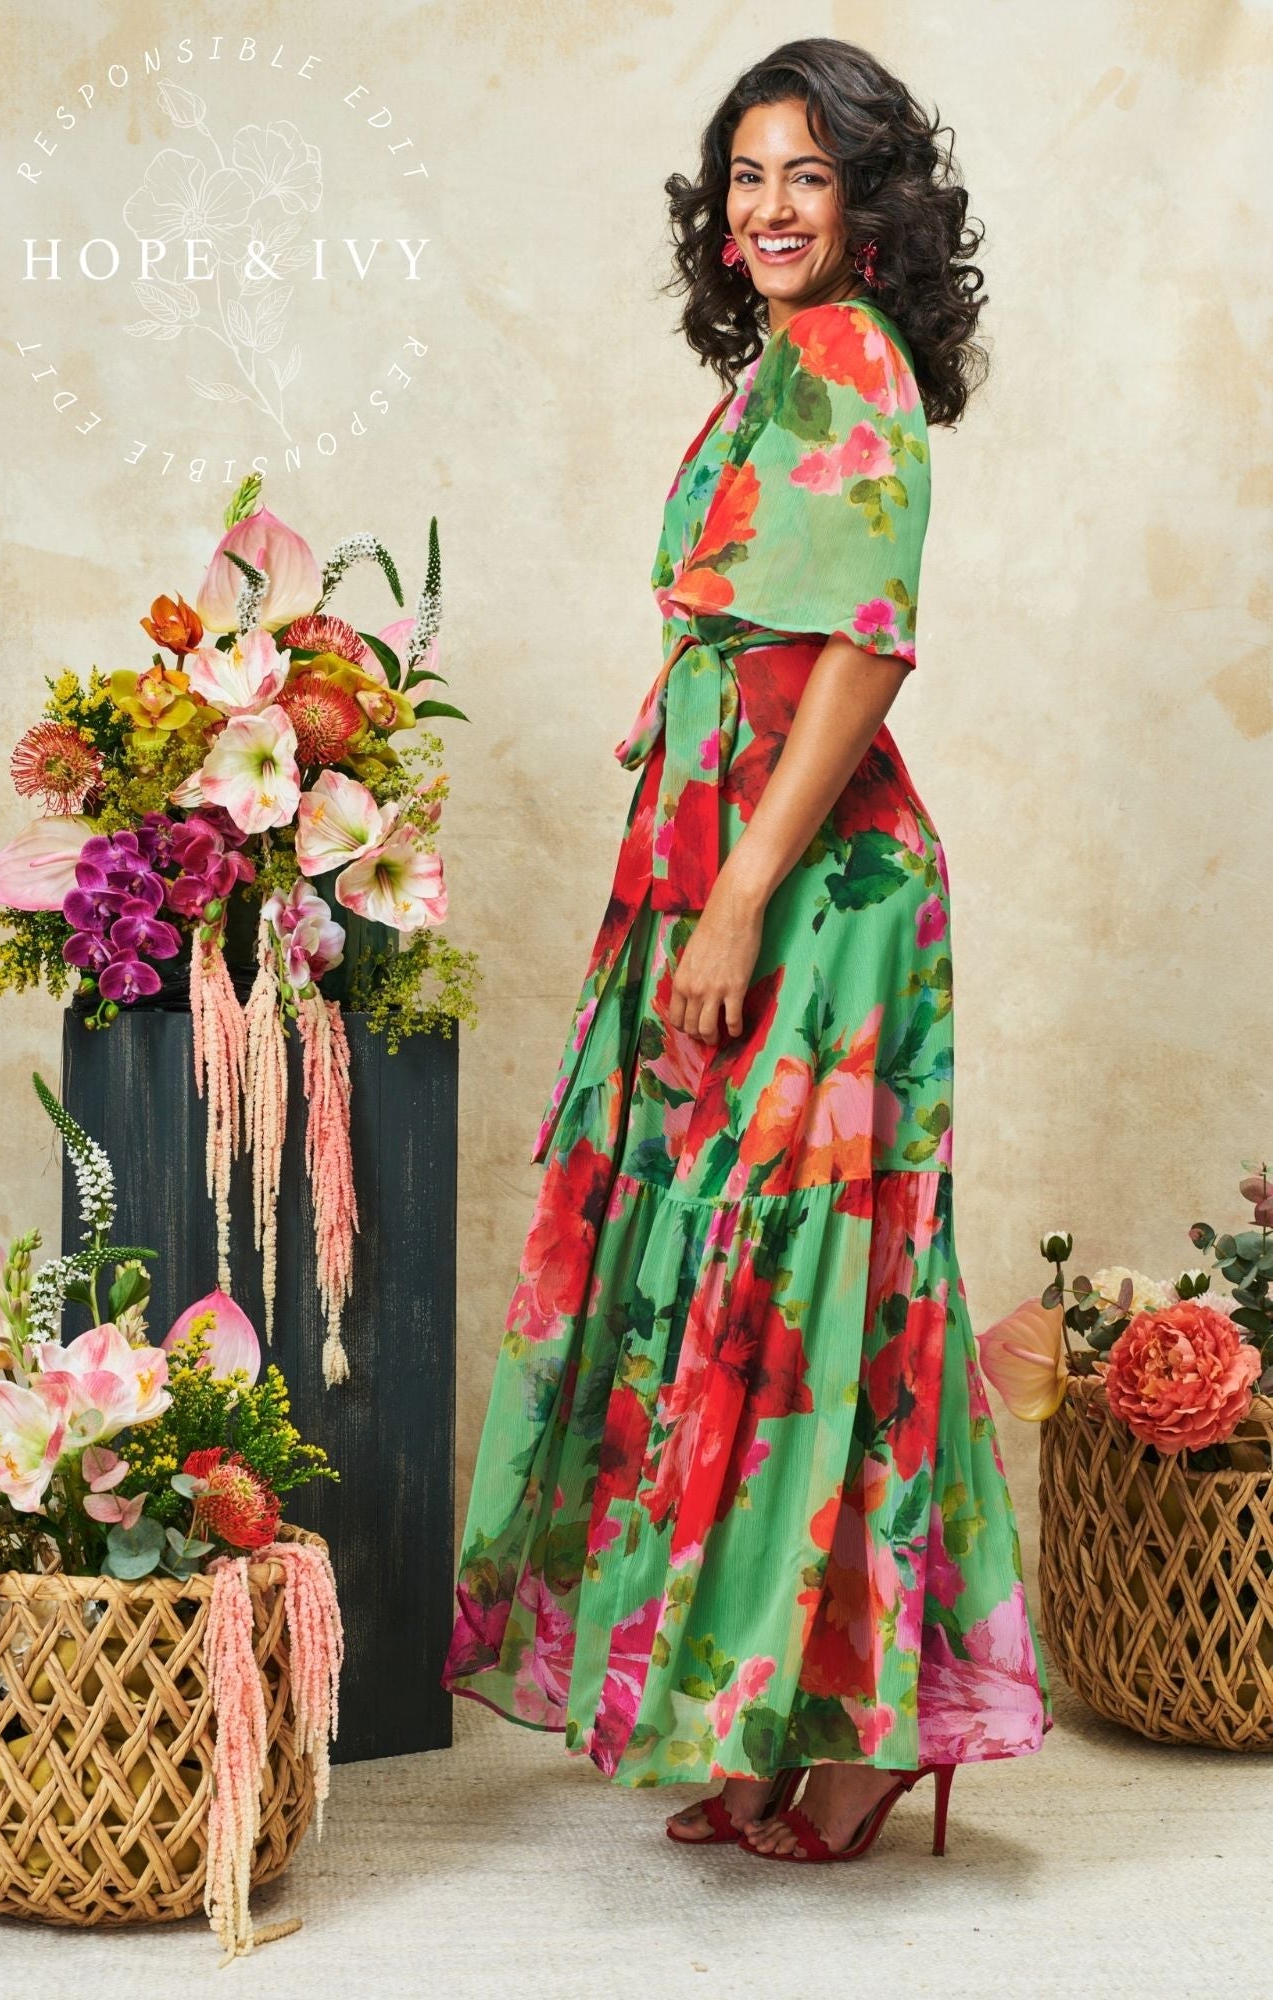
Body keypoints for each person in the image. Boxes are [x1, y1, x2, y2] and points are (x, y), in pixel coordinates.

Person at [441, 35, 1053, 1865]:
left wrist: (731, 897)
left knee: (811, 1295)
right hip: (731, 855)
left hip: (814, 894)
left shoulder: (853, 358)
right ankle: (772, 1710)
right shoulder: (785, 369)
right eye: (749, 175)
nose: (773, 206)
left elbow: (863, 647)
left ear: (870, 205)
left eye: (810, 175)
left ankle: (864, 1732)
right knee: (751, 1291)